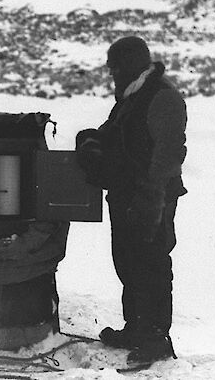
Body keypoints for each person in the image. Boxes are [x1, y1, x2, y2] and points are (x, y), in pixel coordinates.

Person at [75, 36, 187, 365]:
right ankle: (136, 326)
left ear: (129, 65)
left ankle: (155, 338)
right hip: (126, 193)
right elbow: (113, 132)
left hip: (151, 196)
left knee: (151, 263)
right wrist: (91, 140)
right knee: (127, 261)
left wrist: (150, 199)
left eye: (115, 68)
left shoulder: (162, 96)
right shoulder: (132, 96)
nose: (112, 75)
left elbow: (168, 155)